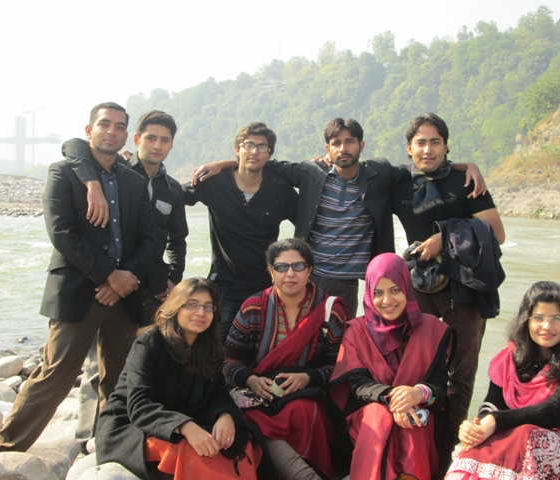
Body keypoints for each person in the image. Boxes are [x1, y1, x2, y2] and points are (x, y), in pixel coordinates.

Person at [0, 102, 160, 453]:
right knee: (56, 374)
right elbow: (62, 233)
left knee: (119, 379)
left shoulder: (133, 182)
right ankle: (5, 447)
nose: (112, 131)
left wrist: (126, 276)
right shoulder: (64, 173)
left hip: (124, 296)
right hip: (79, 292)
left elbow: (151, 239)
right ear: (89, 130)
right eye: (105, 124)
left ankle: (111, 446)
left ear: (126, 135)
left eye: (119, 126)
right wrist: (109, 275)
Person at [195, 117, 485, 319]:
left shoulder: (380, 172)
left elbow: (420, 168)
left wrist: (463, 165)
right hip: (309, 275)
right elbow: (265, 163)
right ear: (328, 149)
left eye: (350, 142)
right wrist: (227, 163)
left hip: (349, 280)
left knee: (340, 341)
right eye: (336, 143)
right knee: (296, 338)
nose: (343, 148)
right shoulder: (311, 172)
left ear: (361, 145)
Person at [63, 110, 189, 444]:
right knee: (96, 364)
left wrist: (174, 279)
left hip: (152, 286)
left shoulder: (171, 189)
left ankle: (124, 429)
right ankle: (86, 435)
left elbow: (177, 239)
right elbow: (74, 147)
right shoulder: (112, 172)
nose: (157, 145)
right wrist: (110, 277)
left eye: (164, 140)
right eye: (151, 138)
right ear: (136, 139)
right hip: (110, 281)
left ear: (172, 144)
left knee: (141, 359)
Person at [392, 113, 506, 434]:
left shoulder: (465, 182)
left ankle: (448, 443)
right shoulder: (399, 183)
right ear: (409, 148)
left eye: (435, 142)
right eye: (421, 143)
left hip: (465, 287)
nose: (428, 150)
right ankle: (418, 438)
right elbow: (359, 174)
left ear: (446, 146)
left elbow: (497, 233)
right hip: (420, 286)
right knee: (416, 364)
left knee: (461, 374)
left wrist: (444, 236)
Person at [446, 281, 560, 480]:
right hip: (520, 441)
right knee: (476, 444)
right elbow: (492, 404)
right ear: (526, 320)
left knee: (527, 435)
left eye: (556, 318)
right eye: (539, 318)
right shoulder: (509, 358)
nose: (547, 326)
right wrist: (477, 427)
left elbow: (553, 411)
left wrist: (495, 421)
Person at [95, 277, 261, 480]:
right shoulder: (150, 342)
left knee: (240, 444)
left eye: (208, 307)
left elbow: (218, 393)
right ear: (175, 307)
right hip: (135, 425)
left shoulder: (208, 346)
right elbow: (139, 405)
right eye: (192, 305)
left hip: (187, 417)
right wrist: (185, 427)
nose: (201, 312)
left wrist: (225, 416)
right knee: (194, 454)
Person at [223, 238, 348, 480]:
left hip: (308, 395)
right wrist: (250, 380)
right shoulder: (253, 308)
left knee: (301, 411)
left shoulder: (330, 310)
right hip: (259, 394)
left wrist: (307, 378)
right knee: (249, 416)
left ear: (309, 270)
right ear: (271, 272)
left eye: (298, 266)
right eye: (281, 267)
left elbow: (341, 366)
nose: (290, 274)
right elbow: (229, 361)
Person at [329, 252, 453, 480]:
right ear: (369, 293)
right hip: (369, 414)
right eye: (378, 293)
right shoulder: (356, 331)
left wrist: (418, 394)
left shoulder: (431, 329)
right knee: (380, 415)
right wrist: (395, 398)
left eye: (395, 290)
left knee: (414, 420)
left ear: (407, 287)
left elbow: (439, 386)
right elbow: (359, 385)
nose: (387, 301)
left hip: (418, 413)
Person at [183, 122, 298, 341]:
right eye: (249, 145)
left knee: (258, 350)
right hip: (224, 286)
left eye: (262, 147)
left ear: (269, 154)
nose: (254, 151)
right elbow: (174, 198)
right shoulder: (214, 182)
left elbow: (307, 221)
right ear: (238, 150)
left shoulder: (279, 189)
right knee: (213, 349)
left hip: (264, 287)